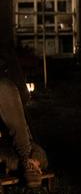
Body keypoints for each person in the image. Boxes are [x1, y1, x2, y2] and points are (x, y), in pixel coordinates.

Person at [0, 39, 47, 188]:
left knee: (5, 88)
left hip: (17, 142)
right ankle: (27, 162)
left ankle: (27, 162)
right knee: (34, 154)